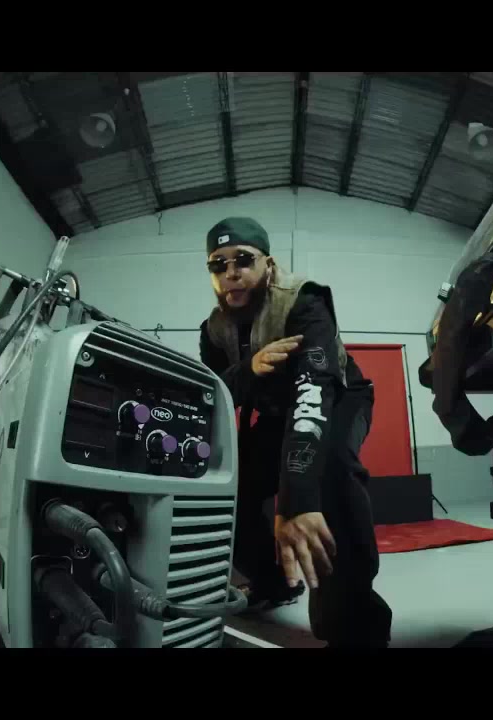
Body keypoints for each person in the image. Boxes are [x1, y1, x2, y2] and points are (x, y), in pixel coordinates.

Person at [198, 217, 392, 648]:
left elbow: (314, 390)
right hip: (274, 412)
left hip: (338, 397)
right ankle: (274, 583)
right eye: (218, 264)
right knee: (226, 483)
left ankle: (359, 621)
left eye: (243, 260)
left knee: (332, 468)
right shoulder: (213, 329)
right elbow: (214, 393)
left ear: (268, 264)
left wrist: (297, 500)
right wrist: (249, 368)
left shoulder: (304, 300)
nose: (231, 273)